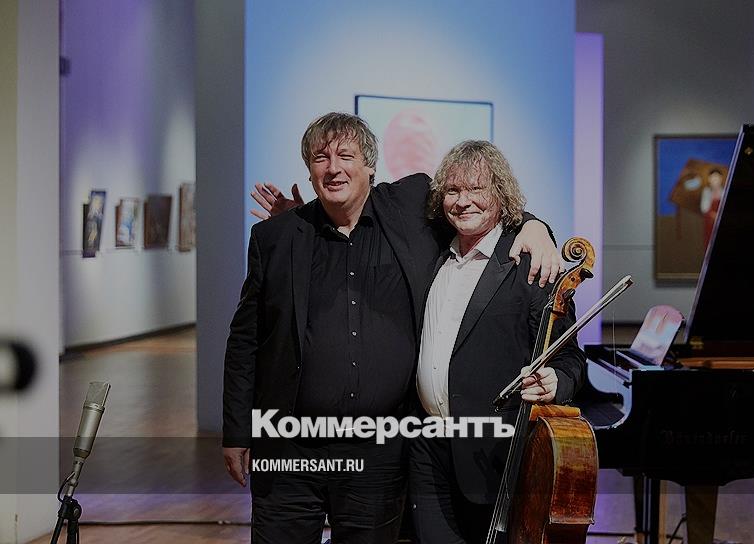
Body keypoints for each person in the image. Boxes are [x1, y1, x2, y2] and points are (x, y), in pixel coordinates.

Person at [222, 112, 561, 544]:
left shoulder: (409, 206)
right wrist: (236, 432)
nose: (333, 168)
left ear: (370, 166)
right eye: (321, 158)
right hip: (291, 447)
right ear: (309, 170)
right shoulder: (275, 237)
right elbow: (245, 341)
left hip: (379, 451)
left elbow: (477, 200)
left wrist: (534, 226)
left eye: (346, 156)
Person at [409, 140, 584, 543]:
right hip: (428, 453)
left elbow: (571, 359)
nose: (462, 201)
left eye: (476, 189)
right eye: (453, 190)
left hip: (495, 460)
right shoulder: (434, 253)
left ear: (501, 194)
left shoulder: (532, 266)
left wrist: (556, 381)